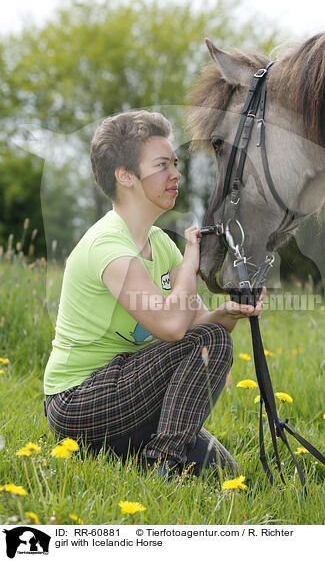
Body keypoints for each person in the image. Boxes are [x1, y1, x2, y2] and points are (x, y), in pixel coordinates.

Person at [44, 110, 265, 477]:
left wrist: (229, 313)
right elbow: (174, 328)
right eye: (162, 165)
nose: (175, 174)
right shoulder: (107, 245)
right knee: (209, 342)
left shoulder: (161, 245)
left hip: (130, 392)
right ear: (126, 175)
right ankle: (164, 463)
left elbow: (195, 326)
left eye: (174, 164)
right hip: (78, 402)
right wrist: (192, 258)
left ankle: (153, 450)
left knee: (228, 476)